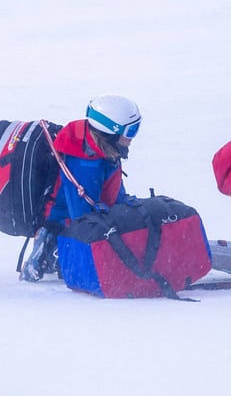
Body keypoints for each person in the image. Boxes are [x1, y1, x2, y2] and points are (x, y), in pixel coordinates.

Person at [20, 94, 141, 281]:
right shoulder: (85, 163)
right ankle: (51, 249)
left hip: (82, 213)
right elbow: (82, 218)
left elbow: (112, 191)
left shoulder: (103, 148)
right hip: (63, 222)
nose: (133, 137)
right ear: (111, 132)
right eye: (131, 131)